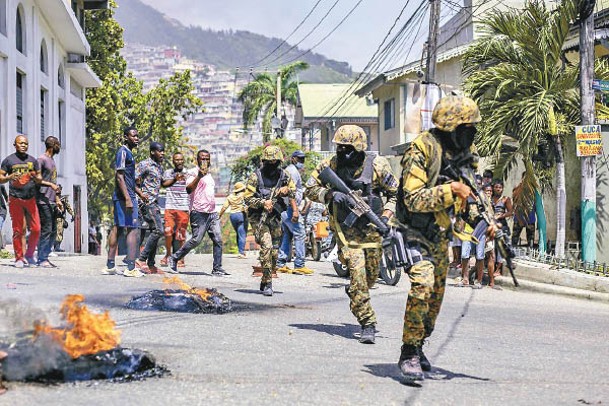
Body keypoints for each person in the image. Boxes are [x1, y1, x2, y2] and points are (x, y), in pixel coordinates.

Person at [396, 96, 496, 381]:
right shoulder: (422, 149)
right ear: (452, 127)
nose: (473, 133)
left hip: (440, 233)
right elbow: (412, 199)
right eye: (468, 128)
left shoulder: (465, 153)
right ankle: (409, 352)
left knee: (435, 300)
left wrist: (486, 221)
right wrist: (451, 190)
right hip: (413, 232)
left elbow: (473, 191)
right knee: (422, 285)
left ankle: (419, 343)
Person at [305, 125, 398, 344]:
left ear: (359, 148)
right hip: (345, 231)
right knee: (358, 274)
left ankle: (356, 292)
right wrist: (329, 194)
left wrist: (385, 217)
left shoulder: (377, 166)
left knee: (371, 278)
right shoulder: (329, 166)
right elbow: (309, 189)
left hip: (372, 229)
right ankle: (368, 323)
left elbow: (395, 194)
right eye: (340, 148)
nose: (343, 153)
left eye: (348, 149)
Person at [244, 145, 297, 296]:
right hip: (258, 217)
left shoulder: (284, 175)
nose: (272, 165)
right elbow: (247, 199)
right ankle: (268, 283)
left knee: (274, 253)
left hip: (275, 217)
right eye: (269, 162)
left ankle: (266, 277)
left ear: (279, 162)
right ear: (264, 162)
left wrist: (286, 190)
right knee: (266, 247)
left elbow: (294, 190)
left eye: (274, 162)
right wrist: (262, 203)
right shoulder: (256, 176)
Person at [0, 135, 60, 268]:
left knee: (36, 228)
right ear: (14, 145)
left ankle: (29, 255)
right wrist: (9, 177)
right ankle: (19, 258)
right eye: (20, 143)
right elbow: (1, 177)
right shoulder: (8, 161)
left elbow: (39, 178)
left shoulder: (33, 161)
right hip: (15, 198)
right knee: (18, 230)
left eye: (26, 144)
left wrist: (36, 177)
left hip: (30, 198)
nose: (23, 145)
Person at [167, 150, 228, 276]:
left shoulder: (210, 175)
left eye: (207, 158)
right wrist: (199, 176)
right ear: (197, 160)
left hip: (212, 212)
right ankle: (174, 258)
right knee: (196, 240)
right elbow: (189, 189)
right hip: (198, 212)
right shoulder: (192, 172)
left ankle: (217, 267)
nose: (205, 161)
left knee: (218, 239)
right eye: (202, 158)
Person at [101, 126, 143, 278]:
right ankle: (130, 268)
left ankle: (110, 265)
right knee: (133, 229)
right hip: (125, 197)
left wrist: (139, 192)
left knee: (118, 228)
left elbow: (128, 178)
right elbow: (119, 176)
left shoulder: (128, 152)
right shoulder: (123, 151)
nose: (136, 138)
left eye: (137, 136)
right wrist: (128, 198)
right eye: (133, 136)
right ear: (126, 137)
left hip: (127, 195)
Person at [277, 150, 314, 275]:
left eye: (303, 159)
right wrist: (295, 210)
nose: (302, 162)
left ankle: (281, 263)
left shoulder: (290, 170)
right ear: (293, 159)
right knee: (300, 234)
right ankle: (299, 265)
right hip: (290, 208)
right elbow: (290, 192)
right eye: (299, 159)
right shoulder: (292, 171)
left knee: (287, 235)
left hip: (285, 208)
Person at [134, 142, 165, 274]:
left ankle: (151, 265)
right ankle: (141, 259)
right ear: (152, 152)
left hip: (155, 202)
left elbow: (161, 184)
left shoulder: (159, 167)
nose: (162, 153)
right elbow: (131, 182)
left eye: (163, 151)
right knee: (158, 230)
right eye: (160, 151)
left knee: (154, 230)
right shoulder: (144, 164)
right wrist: (141, 194)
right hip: (147, 203)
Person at [36, 136, 63, 268]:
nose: (59, 146)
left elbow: (54, 182)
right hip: (42, 200)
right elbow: (36, 179)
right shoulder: (41, 160)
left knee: (53, 230)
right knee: (46, 230)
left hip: (51, 200)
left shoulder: (52, 161)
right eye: (58, 144)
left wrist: (57, 199)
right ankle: (41, 258)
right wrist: (50, 186)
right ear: (52, 145)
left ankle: (44, 256)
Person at [160, 152, 189, 267]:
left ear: (184, 160)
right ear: (173, 161)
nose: (179, 162)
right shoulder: (168, 173)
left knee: (181, 235)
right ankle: (168, 255)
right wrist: (174, 179)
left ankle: (180, 258)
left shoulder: (188, 173)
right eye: (176, 160)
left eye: (181, 159)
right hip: (170, 207)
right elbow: (164, 184)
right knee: (167, 231)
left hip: (183, 207)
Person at [218, 181, 248, 259]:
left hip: (233, 216)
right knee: (242, 234)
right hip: (241, 215)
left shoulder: (230, 197)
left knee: (238, 233)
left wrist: (219, 215)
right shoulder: (244, 195)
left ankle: (241, 250)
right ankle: (241, 252)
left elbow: (224, 207)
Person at [491, 178, 513, 276]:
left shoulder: (505, 199)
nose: (498, 189)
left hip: (502, 226)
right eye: (496, 187)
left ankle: (498, 269)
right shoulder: (489, 198)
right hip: (491, 226)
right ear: (493, 188)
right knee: (491, 248)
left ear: (502, 189)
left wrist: (501, 215)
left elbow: (511, 212)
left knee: (500, 248)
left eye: (500, 187)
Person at [512, 173, 536, 248]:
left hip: (530, 219)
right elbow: (514, 203)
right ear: (522, 179)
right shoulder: (517, 189)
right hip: (519, 218)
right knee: (514, 240)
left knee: (530, 241)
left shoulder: (534, 191)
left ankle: (530, 257)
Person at [53, 185, 74, 252]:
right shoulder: (52, 197)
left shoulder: (63, 198)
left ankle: (57, 247)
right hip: (52, 217)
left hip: (60, 218)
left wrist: (72, 214)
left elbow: (68, 207)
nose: (58, 190)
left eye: (59, 189)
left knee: (59, 232)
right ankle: (53, 247)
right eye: (56, 189)